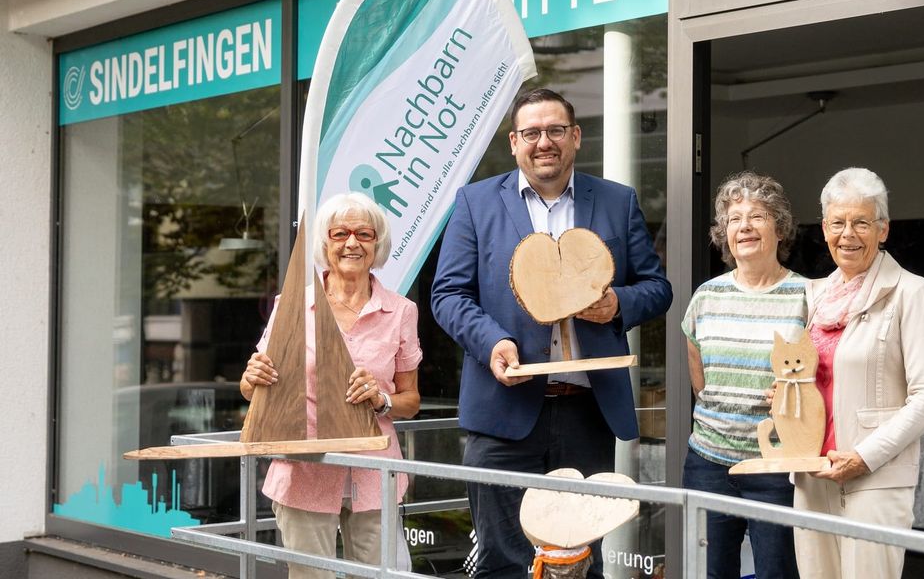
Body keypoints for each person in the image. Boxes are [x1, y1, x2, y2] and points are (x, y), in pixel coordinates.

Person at [430, 88, 673, 577]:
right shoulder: (475, 203)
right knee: (503, 559)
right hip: (504, 414)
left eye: (556, 130)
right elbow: (448, 295)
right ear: (514, 143)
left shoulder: (616, 201)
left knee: (578, 557)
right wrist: (493, 342)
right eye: (532, 132)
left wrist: (616, 304)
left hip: (588, 412)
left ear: (576, 137)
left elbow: (657, 288)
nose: (545, 142)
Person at [240, 192, 422, 579]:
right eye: (340, 233)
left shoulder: (402, 311)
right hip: (304, 471)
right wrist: (249, 379)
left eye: (364, 234)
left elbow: (411, 401)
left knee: (377, 576)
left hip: (374, 473)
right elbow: (254, 388)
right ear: (325, 243)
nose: (352, 243)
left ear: (377, 244)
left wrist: (381, 399)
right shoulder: (292, 304)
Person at [792, 167, 924, 579]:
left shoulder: (912, 292)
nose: (849, 234)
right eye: (838, 223)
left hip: (872, 479)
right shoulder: (814, 296)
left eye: (861, 222)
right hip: (813, 475)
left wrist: (865, 457)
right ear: (824, 228)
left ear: (883, 230)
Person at [682, 172, 805, 579]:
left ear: (779, 227)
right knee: (710, 574)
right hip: (708, 464)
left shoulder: (808, 297)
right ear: (724, 233)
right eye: (735, 219)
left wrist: (794, 397)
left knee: (778, 574)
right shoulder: (706, 296)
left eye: (758, 216)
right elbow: (699, 378)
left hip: (776, 468)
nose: (745, 227)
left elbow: (819, 378)